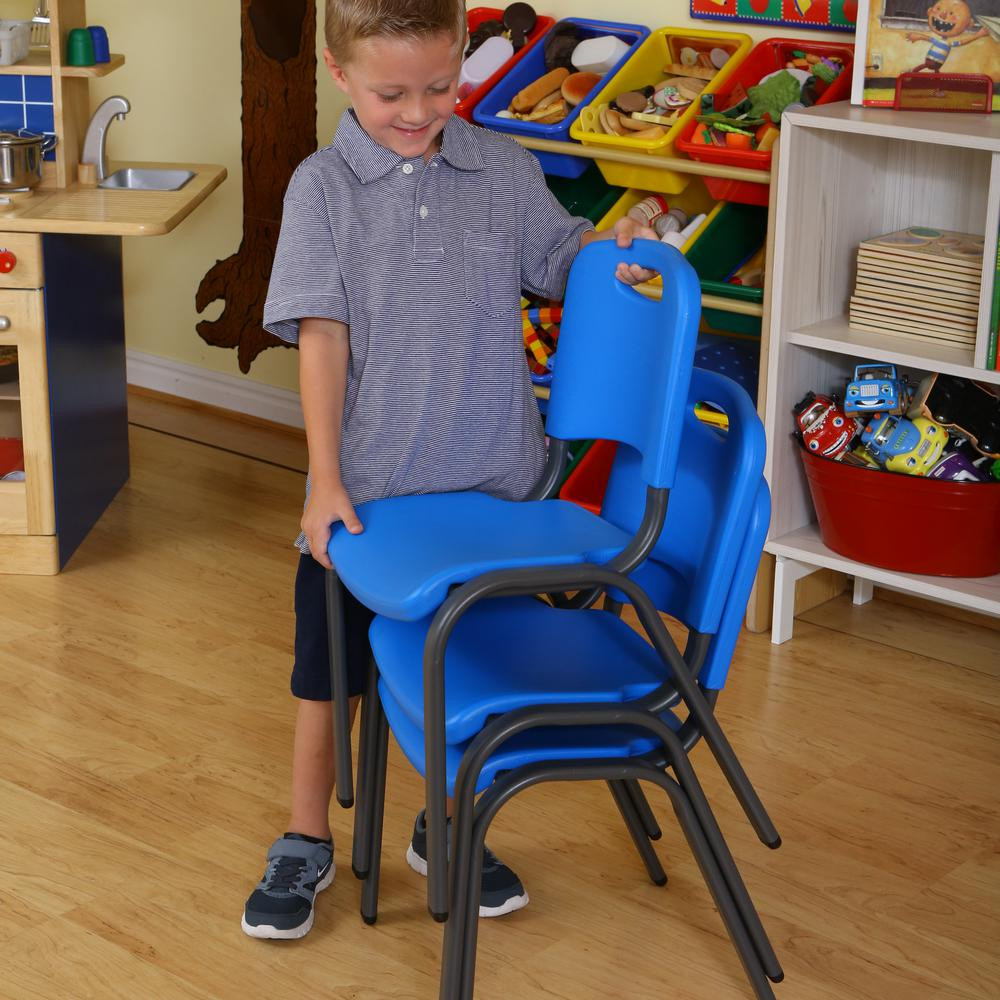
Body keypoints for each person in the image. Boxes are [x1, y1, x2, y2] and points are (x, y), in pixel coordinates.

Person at [242, 0, 657, 940]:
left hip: (491, 490)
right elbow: (320, 337)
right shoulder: (322, 189)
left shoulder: (503, 169)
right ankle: (305, 839)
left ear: (464, 55)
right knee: (329, 677)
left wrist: (604, 246)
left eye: (440, 85)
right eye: (393, 92)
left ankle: (447, 822)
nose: (421, 110)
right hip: (367, 498)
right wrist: (325, 480)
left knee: (468, 665)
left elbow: (557, 256)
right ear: (339, 72)